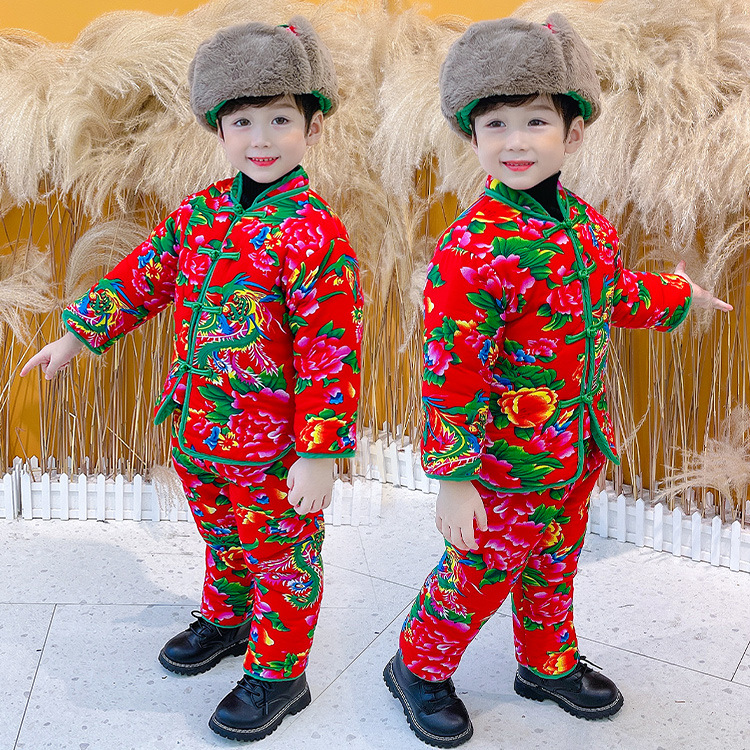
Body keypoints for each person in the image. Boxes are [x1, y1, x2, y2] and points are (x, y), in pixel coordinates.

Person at [382, 14, 732, 747]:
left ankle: (546, 664)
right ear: (473, 137)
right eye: (496, 124)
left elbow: (611, 293)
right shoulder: (471, 250)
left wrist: (677, 294)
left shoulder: (586, 224)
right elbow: (450, 372)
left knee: (553, 563)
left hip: (574, 444)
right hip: (504, 461)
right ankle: (418, 666)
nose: (516, 140)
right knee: (480, 572)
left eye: (536, 121)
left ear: (573, 133)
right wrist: (454, 478)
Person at [21, 17, 362, 742]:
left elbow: (332, 351)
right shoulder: (200, 214)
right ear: (219, 129)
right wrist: (76, 336)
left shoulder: (316, 235)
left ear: (312, 127)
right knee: (221, 535)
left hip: (273, 447)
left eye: (280, 119)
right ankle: (228, 617)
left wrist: (321, 450)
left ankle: (280, 672)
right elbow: (142, 278)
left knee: (282, 554)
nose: (261, 138)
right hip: (199, 427)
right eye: (242, 122)